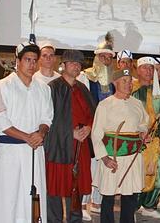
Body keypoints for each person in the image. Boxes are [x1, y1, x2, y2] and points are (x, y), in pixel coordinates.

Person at [0, 41, 53, 223]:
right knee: (7, 198)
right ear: (18, 61)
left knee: (33, 196)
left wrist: (41, 133)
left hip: (35, 152)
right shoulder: (2, 86)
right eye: (27, 60)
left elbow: (47, 117)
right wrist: (27, 137)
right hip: (10, 154)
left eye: (34, 60)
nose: (31, 64)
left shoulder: (43, 89)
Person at [91, 69, 150, 223]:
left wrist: (143, 132)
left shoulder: (137, 103)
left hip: (132, 157)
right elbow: (96, 134)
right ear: (115, 83)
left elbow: (144, 122)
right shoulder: (104, 105)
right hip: (112, 158)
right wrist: (104, 158)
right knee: (109, 197)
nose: (129, 84)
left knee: (130, 196)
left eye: (130, 81)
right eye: (124, 80)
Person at [45, 50, 96, 222]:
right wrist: (70, 132)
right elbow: (46, 119)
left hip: (80, 147)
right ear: (63, 65)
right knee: (55, 187)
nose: (76, 66)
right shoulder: (52, 88)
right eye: (72, 63)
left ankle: (75, 220)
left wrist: (89, 128)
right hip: (59, 146)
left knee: (77, 189)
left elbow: (92, 113)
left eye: (79, 64)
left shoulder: (82, 88)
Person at [78, 34, 116, 216]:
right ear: (97, 57)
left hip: (108, 131)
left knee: (103, 167)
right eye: (103, 56)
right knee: (89, 166)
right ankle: (83, 204)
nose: (106, 60)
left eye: (109, 57)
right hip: (91, 128)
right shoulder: (85, 77)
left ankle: (96, 201)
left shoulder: (113, 83)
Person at [132, 57, 160, 218]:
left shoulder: (158, 90)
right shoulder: (131, 89)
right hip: (139, 142)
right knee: (139, 176)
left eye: (151, 68)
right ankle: (135, 205)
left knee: (159, 177)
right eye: (145, 68)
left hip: (156, 140)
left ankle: (149, 206)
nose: (149, 71)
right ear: (138, 70)